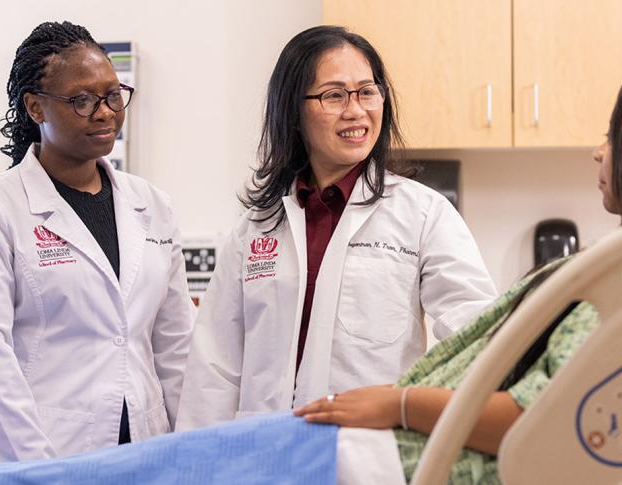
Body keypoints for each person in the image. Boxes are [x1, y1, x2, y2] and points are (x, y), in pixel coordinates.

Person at [294, 68, 622, 482]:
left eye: (613, 136)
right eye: (332, 95)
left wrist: (400, 404)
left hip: (408, 458)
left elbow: (549, 418)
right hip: (400, 442)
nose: (599, 152)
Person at [176, 26, 497, 429]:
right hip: (266, 450)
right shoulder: (256, 228)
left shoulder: (424, 214)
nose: (356, 111)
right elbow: (215, 367)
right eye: (334, 95)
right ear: (294, 110)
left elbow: (478, 334)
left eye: (367, 91)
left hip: (367, 450)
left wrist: (421, 409)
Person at [0, 21, 195, 465]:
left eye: (113, 95)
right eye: (81, 100)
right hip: (37, 453)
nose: (104, 112)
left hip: (143, 452)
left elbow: (176, 348)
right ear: (35, 108)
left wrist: (191, 453)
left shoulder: (153, 205)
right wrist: (39, 471)